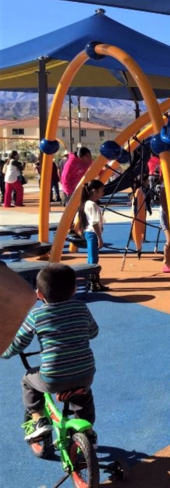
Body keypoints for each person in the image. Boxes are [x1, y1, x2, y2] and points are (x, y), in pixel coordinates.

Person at [1, 264, 98, 443]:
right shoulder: (81, 308)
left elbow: (19, 343)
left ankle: (39, 420)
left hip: (53, 377)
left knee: (28, 380)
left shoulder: (37, 315)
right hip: (86, 373)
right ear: (75, 289)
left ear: (39, 294)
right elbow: (93, 332)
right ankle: (88, 430)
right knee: (83, 394)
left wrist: (5, 352)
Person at [78, 179, 109, 292]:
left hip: (89, 232)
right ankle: (93, 283)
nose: (103, 193)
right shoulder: (92, 205)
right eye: (101, 191)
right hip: (92, 233)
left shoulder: (86, 203)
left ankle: (92, 282)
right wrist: (99, 237)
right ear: (94, 191)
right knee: (93, 259)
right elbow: (94, 222)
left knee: (92, 258)